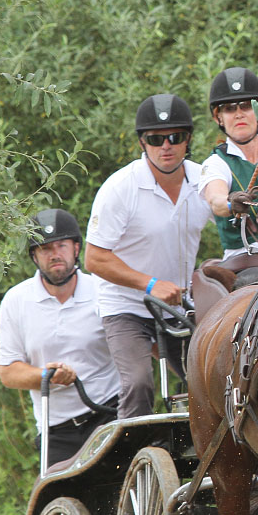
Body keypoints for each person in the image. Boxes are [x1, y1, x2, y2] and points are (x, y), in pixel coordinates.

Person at [85, 93, 212, 418]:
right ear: (143, 143)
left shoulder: (205, 181)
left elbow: (233, 220)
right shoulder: (120, 188)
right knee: (139, 384)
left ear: (188, 140)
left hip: (180, 306)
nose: (166, 146)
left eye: (176, 137)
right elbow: (94, 259)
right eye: (156, 139)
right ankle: (129, 462)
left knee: (214, 380)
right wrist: (150, 284)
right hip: (126, 308)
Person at [0, 208, 121, 466]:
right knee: (54, 499)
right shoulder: (16, 301)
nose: (55, 255)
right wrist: (46, 376)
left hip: (109, 414)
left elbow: (132, 344)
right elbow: (8, 372)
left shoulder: (103, 290)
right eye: (45, 249)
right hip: (56, 427)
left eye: (61, 246)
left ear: (76, 248)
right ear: (34, 256)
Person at [199, 67, 258, 287]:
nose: (239, 113)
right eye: (230, 108)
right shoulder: (215, 164)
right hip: (247, 261)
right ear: (219, 117)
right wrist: (231, 202)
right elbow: (216, 200)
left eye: (246, 106)